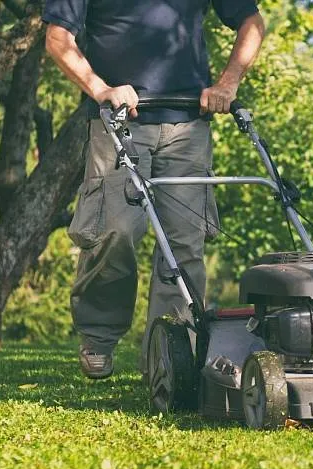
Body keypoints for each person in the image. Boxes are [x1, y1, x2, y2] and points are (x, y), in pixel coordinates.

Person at [43, 0, 265, 379]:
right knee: (114, 230)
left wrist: (227, 84)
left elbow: (252, 21)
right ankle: (98, 336)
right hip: (119, 122)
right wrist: (101, 89)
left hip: (188, 125)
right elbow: (58, 38)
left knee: (184, 245)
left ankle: (171, 357)